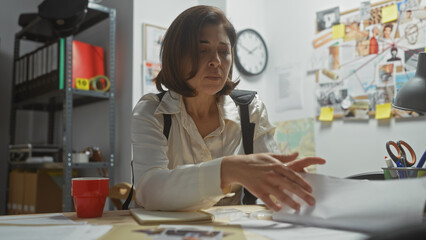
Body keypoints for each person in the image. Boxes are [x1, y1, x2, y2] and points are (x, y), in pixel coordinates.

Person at [131, 5, 326, 212]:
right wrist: (228, 169)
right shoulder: (152, 111)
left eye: (224, 51)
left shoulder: (250, 110)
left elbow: (270, 176)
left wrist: (284, 179)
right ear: (176, 57)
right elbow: (149, 189)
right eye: (202, 50)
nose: (216, 61)